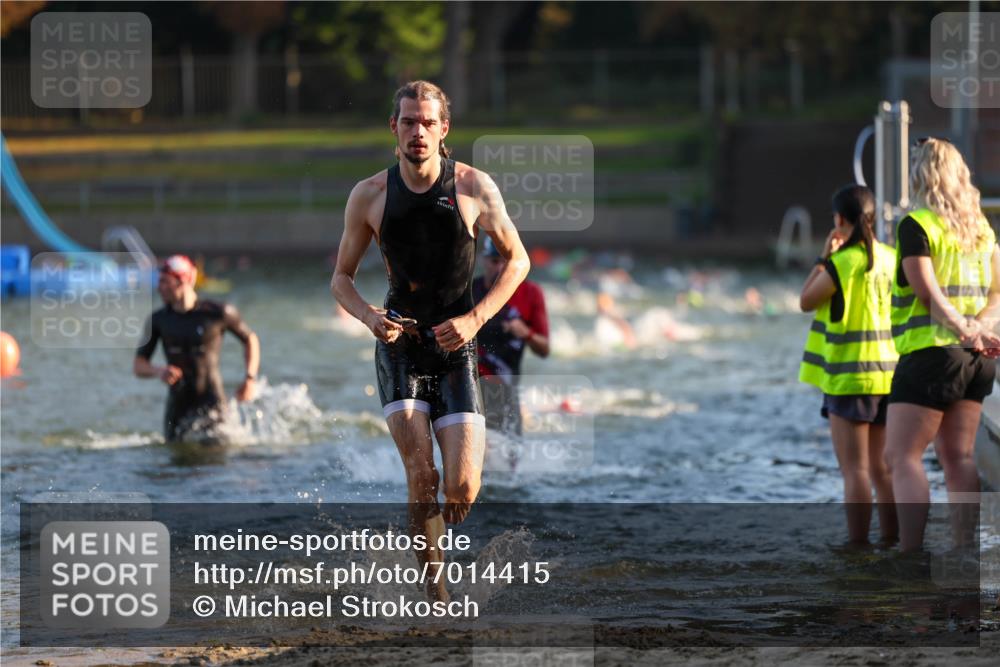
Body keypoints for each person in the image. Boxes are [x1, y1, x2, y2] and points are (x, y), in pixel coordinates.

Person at [330, 81, 529, 601]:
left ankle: (432, 545)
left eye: (427, 122)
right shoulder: (370, 195)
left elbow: (518, 260)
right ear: (393, 128)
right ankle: (436, 596)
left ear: (445, 130)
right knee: (422, 476)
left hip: (456, 347)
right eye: (408, 121)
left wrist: (476, 319)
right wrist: (371, 318)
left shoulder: (472, 187)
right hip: (399, 345)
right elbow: (340, 280)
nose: (417, 131)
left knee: (461, 489)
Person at [883, 138, 1000, 552]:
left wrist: (964, 329)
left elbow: (927, 294)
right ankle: (964, 551)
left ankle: (911, 554)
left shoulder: (918, 224)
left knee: (902, 456)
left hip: (933, 353)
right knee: (960, 458)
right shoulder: (981, 228)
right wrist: (981, 329)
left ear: (920, 174)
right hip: (977, 358)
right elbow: (997, 293)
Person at [799, 185, 899, 544]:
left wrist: (822, 259)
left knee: (855, 471)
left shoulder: (841, 264)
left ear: (840, 220)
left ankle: (858, 547)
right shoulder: (891, 258)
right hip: (889, 377)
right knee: (884, 470)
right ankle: (893, 540)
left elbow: (806, 300)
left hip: (850, 378)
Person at [135, 255, 260, 443]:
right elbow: (139, 365)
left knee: (218, 462)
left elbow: (250, 339)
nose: (159, 287)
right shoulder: (158, 320)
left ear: (183, 280)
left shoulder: (218, 313)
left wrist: (250, 378)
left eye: (165, 282)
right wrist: (159, 371)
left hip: (212, 402)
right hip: (177, 407)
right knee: (173, 464)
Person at [472, 237, 550, 436]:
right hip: (472, 384)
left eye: (506, 262)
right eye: (495, 261)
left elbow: (544, 349)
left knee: (511, 457)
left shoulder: (531, 293)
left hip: (507, 386)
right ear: (483, 260)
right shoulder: (469, 291)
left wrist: (526, 333)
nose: (500, 268)